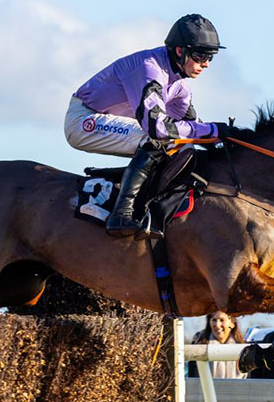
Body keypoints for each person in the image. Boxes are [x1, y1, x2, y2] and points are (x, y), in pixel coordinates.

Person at [65, 14, 230, 240]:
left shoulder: (180, 84)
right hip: (84, 120)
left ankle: (152, 209)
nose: (206, 63)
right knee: (156, 140)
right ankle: (121, 214)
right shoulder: (149, 68)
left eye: (211, 56)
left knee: (182, 147)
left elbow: (191, 128)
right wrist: (213, 131)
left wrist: (228, 138)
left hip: (113, 123)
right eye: (201, 55)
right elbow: (158, 128)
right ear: (180, 51)